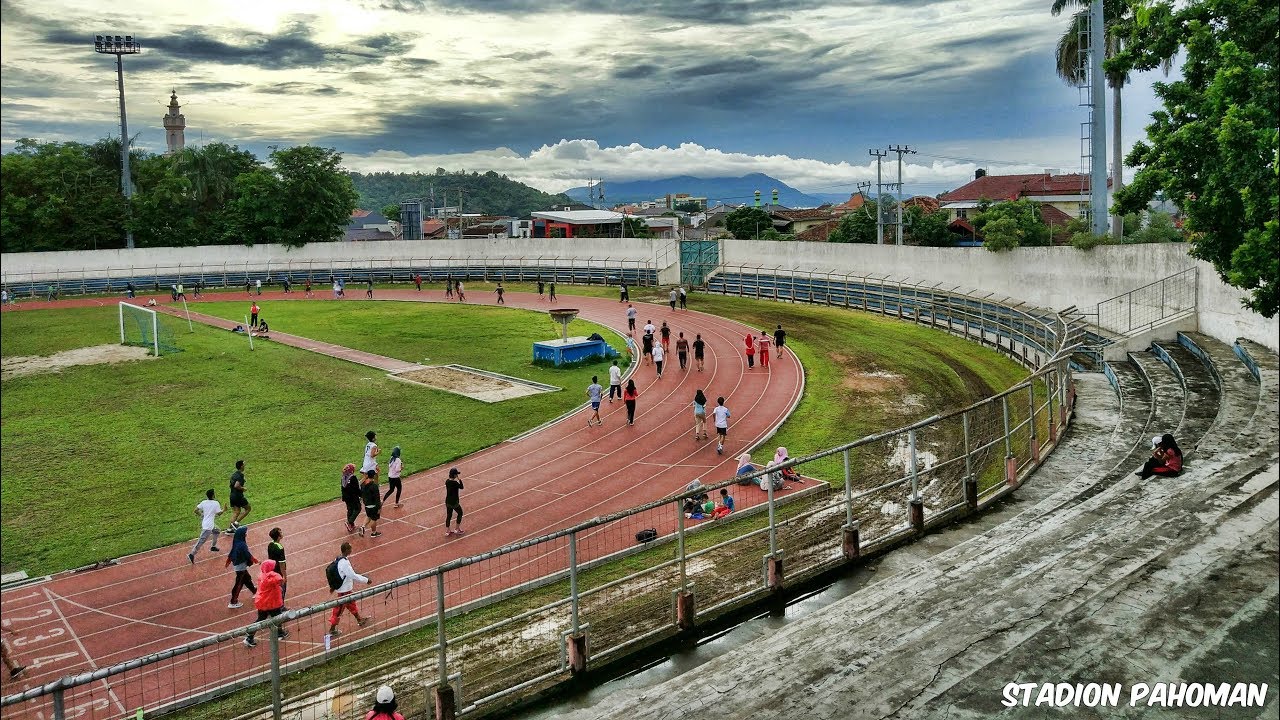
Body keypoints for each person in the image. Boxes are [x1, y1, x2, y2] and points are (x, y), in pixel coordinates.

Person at [327, 542, 372, 636]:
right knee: (338, 610)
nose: (351, 550)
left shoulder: (338, 559)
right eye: (350, 549)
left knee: (351, 604)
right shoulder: (345, 563)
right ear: (347, 550)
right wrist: (366, 580)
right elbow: (352, 575)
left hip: (344, 589)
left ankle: (359, 620)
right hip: (344, 590)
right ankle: (332, 629)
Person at [244, 558, 288, 647]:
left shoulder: (262, 576)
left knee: (261, 619)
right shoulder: (273, 576)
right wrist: (284, 574)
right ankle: (279, 633)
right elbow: (281, 580)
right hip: (271, 602)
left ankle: (250, 635)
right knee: (278, 617)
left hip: (262, 602)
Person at [224, 525, 257, 609]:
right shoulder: (242, 544)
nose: (246, 534)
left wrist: (228, 561)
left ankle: (255, 592)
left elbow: (231, 553)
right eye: (245, 533)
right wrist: (255, 560)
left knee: (247, 579)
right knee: (239, 584)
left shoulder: (236, 542)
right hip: (240, 567)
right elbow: (247, 554)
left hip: (239, 565)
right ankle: (233, 602)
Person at [188, 489, 223, 563]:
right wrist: (224, 510)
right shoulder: (216, 503)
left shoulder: (204, 502)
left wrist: (202, 515)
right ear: (213, 495)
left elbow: (195, 510)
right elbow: (219, 514)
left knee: (217, 531)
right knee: (201, 541)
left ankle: (213, 547)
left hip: (208, 524)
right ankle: (191, 554)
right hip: (208, 527)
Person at [227, 460, 250, 531]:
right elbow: (236, 485)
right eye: (243, 465)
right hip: (238, 496)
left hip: (232, 495)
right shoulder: (240, 475)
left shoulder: (234, 475)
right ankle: (236, 523)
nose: (244, 466)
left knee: (236, 512)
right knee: (248, 508)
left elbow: (231, 485)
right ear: (241, 466)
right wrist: (243, 488)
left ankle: (229, 529)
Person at [360, 470, 382, 537]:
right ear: (374, 476)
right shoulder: (374, 486)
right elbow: (377, 497)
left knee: (368, 516)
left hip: (367, 505)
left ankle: (363, 526)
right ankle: (374, 533)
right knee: (374, 519)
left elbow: (362, 494)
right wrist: (379, 507)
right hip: (373, 505)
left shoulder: (363, 484)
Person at [342, 463, 362, 532]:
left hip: (346, 497)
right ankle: (350, 522)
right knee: (358, 509)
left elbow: (343, 488)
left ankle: (351, 525)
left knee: (350, 509)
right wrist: (362, 495)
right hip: (353, 497)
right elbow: (356, 489)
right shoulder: (353, 478)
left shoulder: (344, 477)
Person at [444, 468, 465, 536]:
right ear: (454, 475)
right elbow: (461, 487)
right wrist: (459, 479)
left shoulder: (447, 481)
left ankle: (448, 530)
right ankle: (457, 529)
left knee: (449, 515)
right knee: (460, 513)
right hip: (454, 502)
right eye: (456, 474)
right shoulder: (455, 483)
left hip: (448, 501)